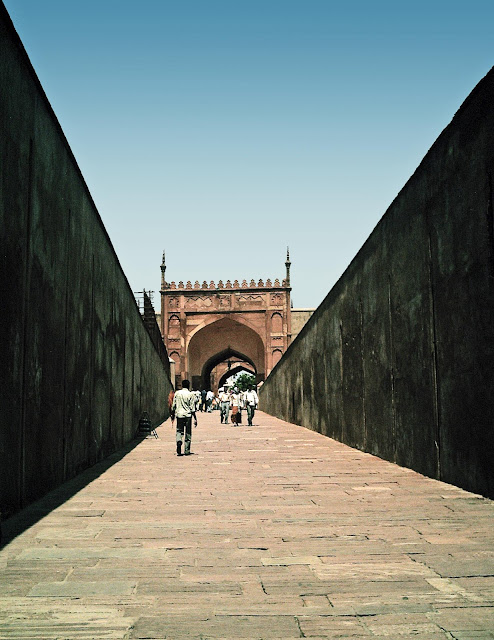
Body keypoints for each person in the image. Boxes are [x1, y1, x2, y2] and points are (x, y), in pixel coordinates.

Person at [171, 379, 197, 456]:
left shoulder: (177, 393)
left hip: (179, 415)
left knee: (179, 430)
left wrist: (172, 414)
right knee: (188, 432)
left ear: (182, 385)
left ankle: (179, 440)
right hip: (188, 415)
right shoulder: (191, 394)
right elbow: (192, 407)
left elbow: (174, 405)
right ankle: (187, 450)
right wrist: (195, 418)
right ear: (188, 386)